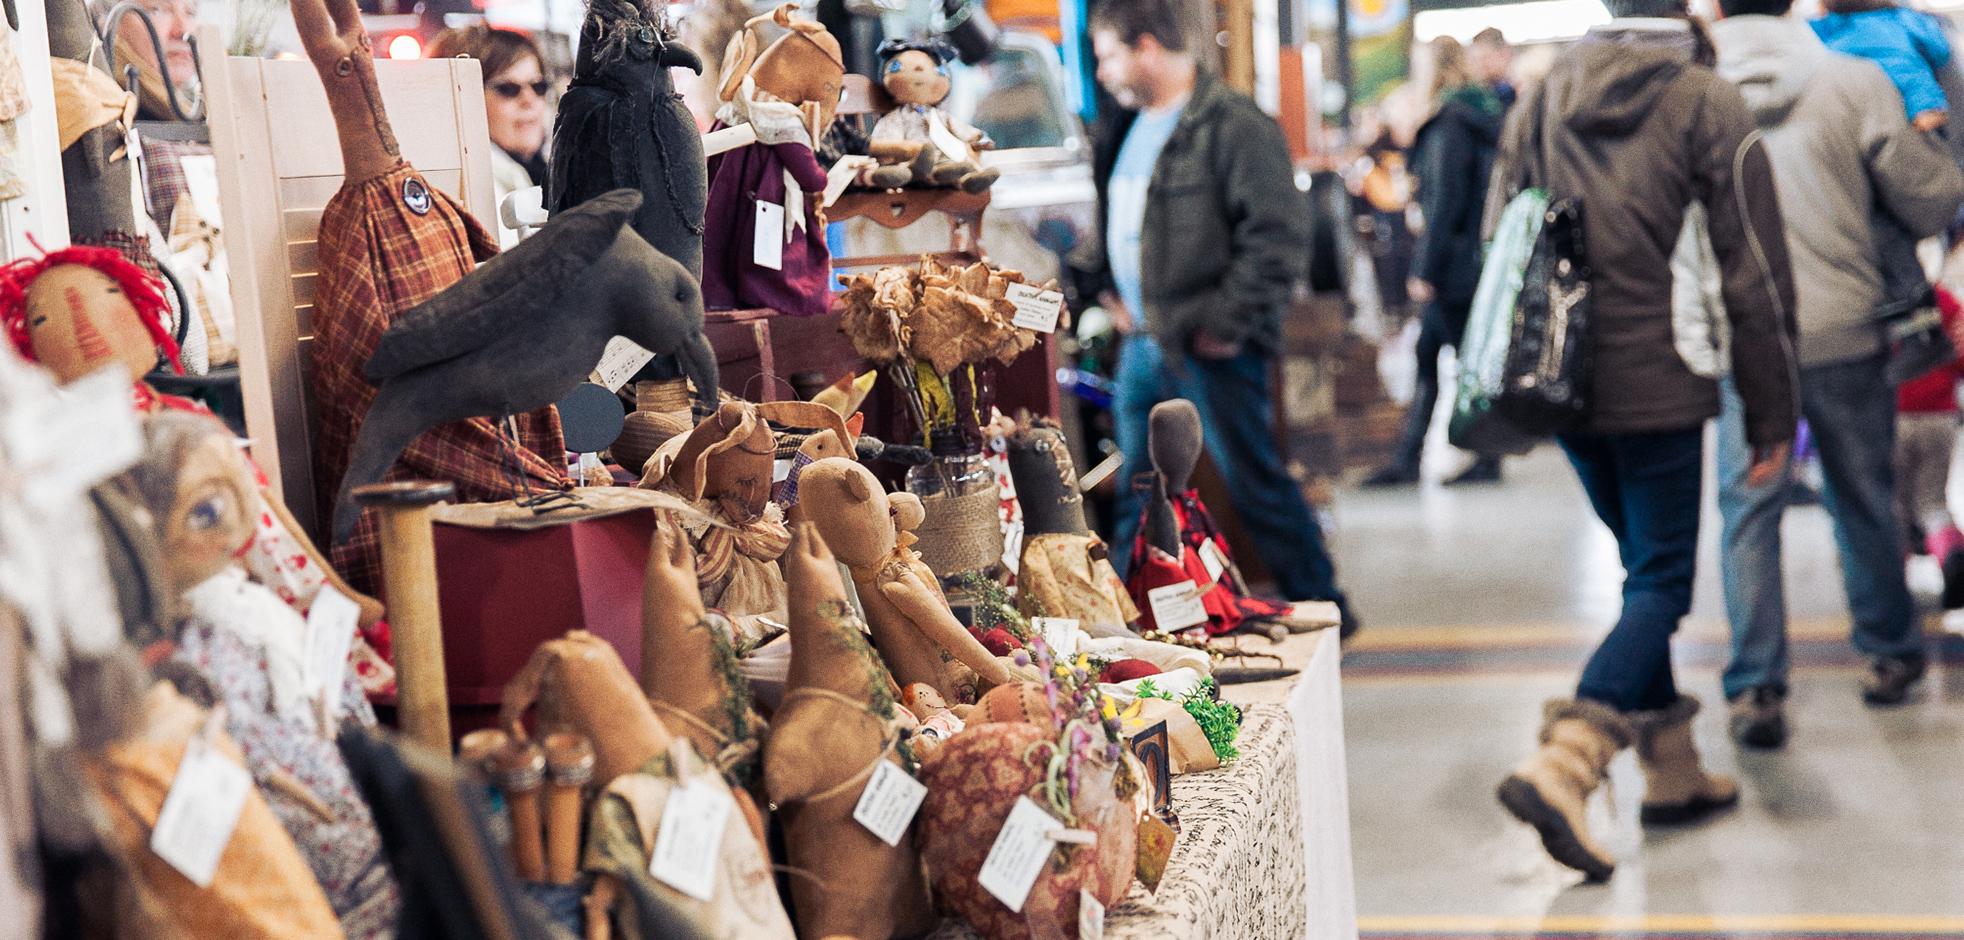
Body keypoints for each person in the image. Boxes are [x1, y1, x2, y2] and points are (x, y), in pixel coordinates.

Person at [1486, 0, 1798, 882]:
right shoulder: (1706, 99)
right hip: (1662, 380)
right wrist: (1773, 414)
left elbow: (1497, 235)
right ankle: (1569, 760)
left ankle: (1673, 772)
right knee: (1661, 580)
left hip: (1564, 384)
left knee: (1640, 575)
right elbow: (1754, 272)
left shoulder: (1543, 95)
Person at [1709, 0, 1964, 749]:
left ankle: (1756, 683)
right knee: (1862, 494)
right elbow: (1931, 198)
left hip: (1738, 334)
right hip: (1846, 326)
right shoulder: (1854, 82)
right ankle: (1889, 655)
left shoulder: (1696, 89)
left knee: (1747, 508)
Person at [1074, 0, 1355, 635]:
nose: (1105, 70)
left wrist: (1226, 324)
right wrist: (1113, 293)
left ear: (1147, 46)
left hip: (1209, 344)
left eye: (1110, 53)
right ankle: (1130, 627)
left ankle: (1329, 609)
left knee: (1254, 483)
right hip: (1146, 343)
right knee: (1137, 492)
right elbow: (1127, 230)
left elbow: (1279, 237)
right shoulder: (1127, 127)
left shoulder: (1232, 124)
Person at [1362, 37, 1505, 488]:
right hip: (1470, 260)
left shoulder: (1449, 123)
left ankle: (1474, 456)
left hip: (1453, 265)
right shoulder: (1475, 114)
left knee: (1458, 358)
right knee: (1441, 355)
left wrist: (1425, 268)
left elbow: (1445, 200)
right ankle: (1426, 456)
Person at [427, 26, 553, 247]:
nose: (529, 99)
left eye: (538, 86)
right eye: (508, 89)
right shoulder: (471, 198)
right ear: (463, 98)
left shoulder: (543, 175)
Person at [1468, 26, 1516, 108]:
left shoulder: (1519, 90)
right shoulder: (1483, 94)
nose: (1479, 66)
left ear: (1504, 54)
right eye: (1475, 60)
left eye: (1484, 58)